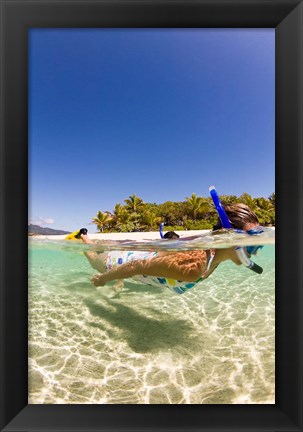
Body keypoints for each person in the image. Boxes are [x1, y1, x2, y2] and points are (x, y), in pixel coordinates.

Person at [80, 203, 264, 295]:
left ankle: (94, 248)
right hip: (125, 263)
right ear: (227, 237)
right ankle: (84, 238)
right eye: (252, 245)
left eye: (258, 245)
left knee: (102, 263)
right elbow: (137, 265)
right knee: (96, 262)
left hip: (140, 263)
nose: (255, 252)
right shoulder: (194, 266)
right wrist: (104, 279)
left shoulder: (216, 258)